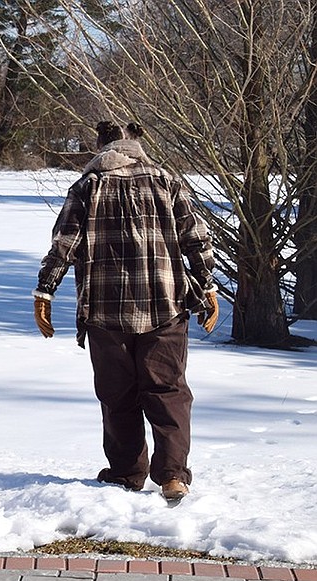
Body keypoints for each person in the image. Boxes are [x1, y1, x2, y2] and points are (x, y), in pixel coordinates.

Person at [33, 120, 219, 502]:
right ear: (137, 145)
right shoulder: (167, 181)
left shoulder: (87, 186)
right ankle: (172, 476)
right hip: (165, 305)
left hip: (105, 311)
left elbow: (64, 244)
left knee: (118, 396)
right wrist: (208, 285)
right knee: (168, 391)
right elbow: (195, 237)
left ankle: (125, 474)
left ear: (100, 147)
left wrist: (44, 292)